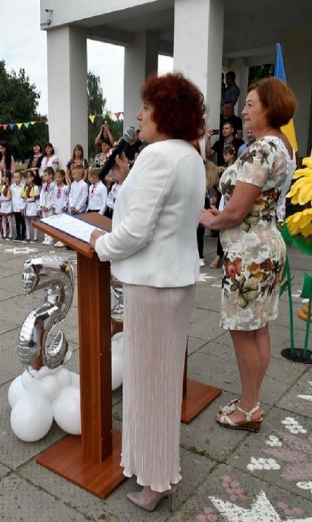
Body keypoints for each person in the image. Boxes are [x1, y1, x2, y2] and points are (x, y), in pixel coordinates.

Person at [89, 72, 206, 512]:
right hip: (173, 280)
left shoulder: (159, 155)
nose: (138, 115)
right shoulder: (188, 155)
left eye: (146, 107)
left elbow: (136, 231)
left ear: (166, 113)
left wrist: (100, 246)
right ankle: (154, 467)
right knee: (160, 380)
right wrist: (125, 181)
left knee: (150, 385)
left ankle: (155, 481)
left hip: (154, 284)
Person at [199, 77, 296, 434]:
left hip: (249, 253)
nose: (243, 109)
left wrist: (212, 219)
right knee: (259, 329)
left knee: (243, 331)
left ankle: (249, 407)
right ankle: (251, 401)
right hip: (269, 245)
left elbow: (237, 211)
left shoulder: (261, 150)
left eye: (251, 103)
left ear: (269, 108)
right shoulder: (284, 147)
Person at [52, 169, 69, 248]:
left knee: (63, 225)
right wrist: (54, 206)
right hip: (57, 208)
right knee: (58, 224)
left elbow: (66, 198)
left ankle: (63, 240)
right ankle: (59, 239)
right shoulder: (55, 188)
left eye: (59, 177)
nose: (57, 179)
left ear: (63, 178)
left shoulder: (65, 188)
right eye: (56, 177)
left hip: (62, 209)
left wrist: (64, 206)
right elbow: (54, 197)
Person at [22, 171, 40, 243]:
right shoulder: (25, 188)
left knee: (35, 222)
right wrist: (23, 209)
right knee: (27, 222)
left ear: (32, 178)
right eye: (26, 178)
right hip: (27, 206)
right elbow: (23, 199)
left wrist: (38, 209)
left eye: (28, 178)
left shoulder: (35, 188)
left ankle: (35, 237)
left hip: (33, 206)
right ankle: (28, 237)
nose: (27, 180)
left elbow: (37, 200)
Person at [39, 167, 55, 246]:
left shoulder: (54, 185)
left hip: (50, 208)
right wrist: (42, 205)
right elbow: (41, 195)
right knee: (44, 222)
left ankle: (51, 238)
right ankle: (46, 237)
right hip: (44, 207)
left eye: (45, 175)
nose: (44, 177)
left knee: (50, 223)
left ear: (51, 175)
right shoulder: (44, 185)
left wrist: (48, 206)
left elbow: (53, 198)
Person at [10, 171, 26, 242]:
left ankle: (23, 235)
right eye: (15, 177)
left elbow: (25, 198)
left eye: (18, 177)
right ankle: (18, 234)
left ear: (21, 178)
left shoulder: (23, 187)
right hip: (15, 208)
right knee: (17, 222)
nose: (16, 179)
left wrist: (23, 208)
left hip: (21, 208)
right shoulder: (12, 187)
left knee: (22, 222)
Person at [0, 171, 13, 240]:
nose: (2, 178)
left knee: (9, 220)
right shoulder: (2, 186)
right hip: (3, 204)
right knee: (3, 219)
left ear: (7, 178)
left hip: (9, 204)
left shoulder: (11, 187)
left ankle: (10, 234)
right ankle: (4, 233)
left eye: (4, 177)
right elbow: (0, 196)